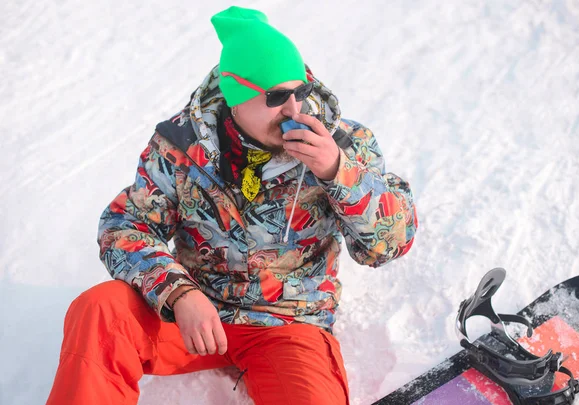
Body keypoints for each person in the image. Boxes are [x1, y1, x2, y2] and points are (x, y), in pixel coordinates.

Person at [47, 6, 417, 405]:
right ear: (235, 99)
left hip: (288, 323)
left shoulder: (343, 143)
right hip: (192, 312)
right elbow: (125, 225)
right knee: (101, 310)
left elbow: (389, 246)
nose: (294, 110)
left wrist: (337, 171)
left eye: (300, 92)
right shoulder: (181, 145)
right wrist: (178, 293)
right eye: (275, 97)